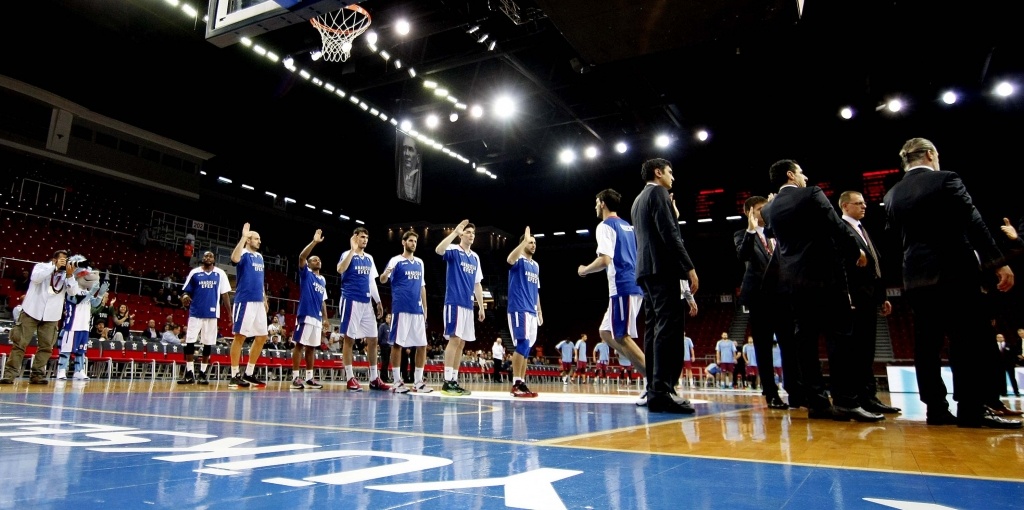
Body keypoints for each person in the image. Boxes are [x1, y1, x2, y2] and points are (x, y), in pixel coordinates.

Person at [883, 137, 1019, 429]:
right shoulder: (946, 180)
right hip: (954, 273)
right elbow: (974, 221)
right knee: (967, 341)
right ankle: (971, 410)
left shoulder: (892, 193)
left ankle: (936, 410)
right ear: (931, 155)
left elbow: (893, 244)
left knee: (926, 346)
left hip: (915, 279)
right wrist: (998, 262)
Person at [761, 159, 883, 422]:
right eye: (801, 172)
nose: (805, 176)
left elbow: (772, 234)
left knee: (805, 343)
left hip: (793, 282)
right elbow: (835, 225)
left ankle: (817, 403)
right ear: (791, 175)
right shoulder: (812, 193)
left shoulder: (770, 207)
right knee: (840, 338)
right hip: (824, 276)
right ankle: (846, 401)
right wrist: (856, 250)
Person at [630, 158, 698, 414]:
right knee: (668, 328)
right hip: (663, 269)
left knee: (654, 329)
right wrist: (689, 266)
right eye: (670, 172)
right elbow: (669, 233)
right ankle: (663, 390)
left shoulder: (638, 200)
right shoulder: (659, 192)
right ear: (658, 173)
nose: (673, 178)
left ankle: (655, 388)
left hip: (645, 270)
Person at [578, 188, 653, 404]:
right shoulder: (627, 226)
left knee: (621, 336)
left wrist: (583, 269)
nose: (595, 206)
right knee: (605, 332)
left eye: (595, 202)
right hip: (631, 283)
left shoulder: (605, 226)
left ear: (602, 203)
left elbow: (604, 260)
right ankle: (651, 377)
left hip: (622, 285)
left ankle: (655, 381)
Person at [837, 190, 901, 414]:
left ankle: (869, 396)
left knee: (867, 350)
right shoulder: (841, 230)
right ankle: (860, 398)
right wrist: (848, 296)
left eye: (864, 203)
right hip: (855, 299)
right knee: (858, 350)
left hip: (870, 297)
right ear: (845, 206)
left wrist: (881, 296)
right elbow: (841, 268)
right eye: (859, 203)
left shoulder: (861, 229)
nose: (864, 206)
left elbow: (875, 265)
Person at [734, 195, 789, 409]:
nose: (764, 212)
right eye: (760, 209)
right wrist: (750, 229)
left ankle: (796, 390)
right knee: (764, 348)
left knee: (790, 346)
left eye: (767, 208)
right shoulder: (742, 235)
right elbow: (743, 255)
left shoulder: (778, 232)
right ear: (749, 213)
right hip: (759, 298)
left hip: (784, 296)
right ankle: (771, 393)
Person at [1, 250, 74, 385]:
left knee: (46, 347)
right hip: (31, 311)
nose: (64, 262)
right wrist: (54, 267)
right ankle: (9, 375)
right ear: (54, 259)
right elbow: (36, 278)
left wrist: (70, 276)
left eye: (66, 260)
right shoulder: (41, 266)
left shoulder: (67, 276)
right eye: (62, 259)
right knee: (20, 344)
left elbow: (73, 292)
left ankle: (37, 375)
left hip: (51, 315)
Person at [433, 219, 486, 396]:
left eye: (473, 233)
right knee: (454, 340)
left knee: (462, 343)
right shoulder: (454, 250)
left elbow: (477, 284)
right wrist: (455, 232)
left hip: (468, 305)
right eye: (468, 232)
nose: (471, 235)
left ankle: (454, 381)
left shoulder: (475, 257)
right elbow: (439, 250)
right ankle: (447, 382)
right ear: (462, 234)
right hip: (454, 301)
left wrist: (481, 307)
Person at [380, 229, 434, 394]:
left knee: (422, 345)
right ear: (404, 242)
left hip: (417, 309)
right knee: (398, 344)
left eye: (415, 241)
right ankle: (397, 381)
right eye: (410, 241)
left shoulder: (419, 262)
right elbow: (382, 280)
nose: (413, 244)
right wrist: (385, 274)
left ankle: (418, 382)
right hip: (401, 307)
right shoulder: (395, 260)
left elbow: (422, 286)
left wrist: (425, 307)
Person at [337, 226, 389, 391]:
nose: (365, 240)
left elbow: (371, 281)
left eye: (366, 237)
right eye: (361, 237)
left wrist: (378, 301)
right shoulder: (347, 254)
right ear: (355, 238)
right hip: (351, 300)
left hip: (366, 303)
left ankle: (374, 378)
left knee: (373, 339)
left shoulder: (369, 258)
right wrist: (352, 250)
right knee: (349, 339)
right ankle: (350, 377)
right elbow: (340, 269)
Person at [177, 250, 232, 385]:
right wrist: (184, 297)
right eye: (206, 255)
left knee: (207, 344)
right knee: (189, 342)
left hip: (212, 314)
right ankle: (189, 373)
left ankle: (202, 373)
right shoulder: (194, 272)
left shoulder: (220, 273)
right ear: (202, 258)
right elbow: (185, 291)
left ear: (214, 259)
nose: (208, 257)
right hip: (195, 312)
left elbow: (225, 295)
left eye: (211, 256)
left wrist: (229, 313)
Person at [228, 222, 270, 388]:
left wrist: (265, 298)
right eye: (256, 238)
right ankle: (234, 375)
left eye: (259, 239)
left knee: (262, 336)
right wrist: (243, 237)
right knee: (240, 336)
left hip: (258, 301)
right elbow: (234, 259)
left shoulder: (260, 257)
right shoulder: (243, 253)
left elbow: (261, 281)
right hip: (244, 300)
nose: (259, 241)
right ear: (248, 240)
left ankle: (249, 373)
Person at [56, 256, 108, 381]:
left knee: (81, 351)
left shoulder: (86, 291)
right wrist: (91, 293)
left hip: (85, 325)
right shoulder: (72, 289)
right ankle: (61, 370)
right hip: (72, 325)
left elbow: (94, 304)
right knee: (66, 350)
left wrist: (100, 295)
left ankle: (79, 371)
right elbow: (77, 300)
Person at [289, 229, 330, 390]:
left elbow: (323, 301)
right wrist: (314, 242)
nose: (317, 261)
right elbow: (301, 257)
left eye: (319, 259)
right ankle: (295, 378)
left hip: (317, 318)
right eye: (314, 260)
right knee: (299, 345)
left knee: (312, 348)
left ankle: (309, 378)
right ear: (309, 263)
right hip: (305, 315)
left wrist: (325, 318)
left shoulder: (323, 280)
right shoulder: (306, 274)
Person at [505, 227, 543, 398]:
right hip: (518, 308)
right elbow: (509, 259)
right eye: (530, 242)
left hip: (532, 311)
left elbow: (537, 291)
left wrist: (539, 311)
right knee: (522, 344)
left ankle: (522, 381)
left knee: (527, 348)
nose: (533, 245)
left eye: (535, 242)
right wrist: (523, 241)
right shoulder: (518, 259)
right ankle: (516, 384)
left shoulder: (536, 265)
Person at [398, 134, 422, 203]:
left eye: (410, 149)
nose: (406, 153)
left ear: (418, 158)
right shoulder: (399, 177)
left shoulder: (417, 175)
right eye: (404, 149)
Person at [377, 313, 393, 382]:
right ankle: (383, 377)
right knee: (384, 362)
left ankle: (385, 377)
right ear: (386, 318)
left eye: (390, 318)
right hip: (384, 346)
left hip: (389, 347)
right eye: (388, 318)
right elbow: (379, 336)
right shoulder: (382, 326)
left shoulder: (390, 327)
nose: (389, 319)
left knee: (387, 362)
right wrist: (380, 345)